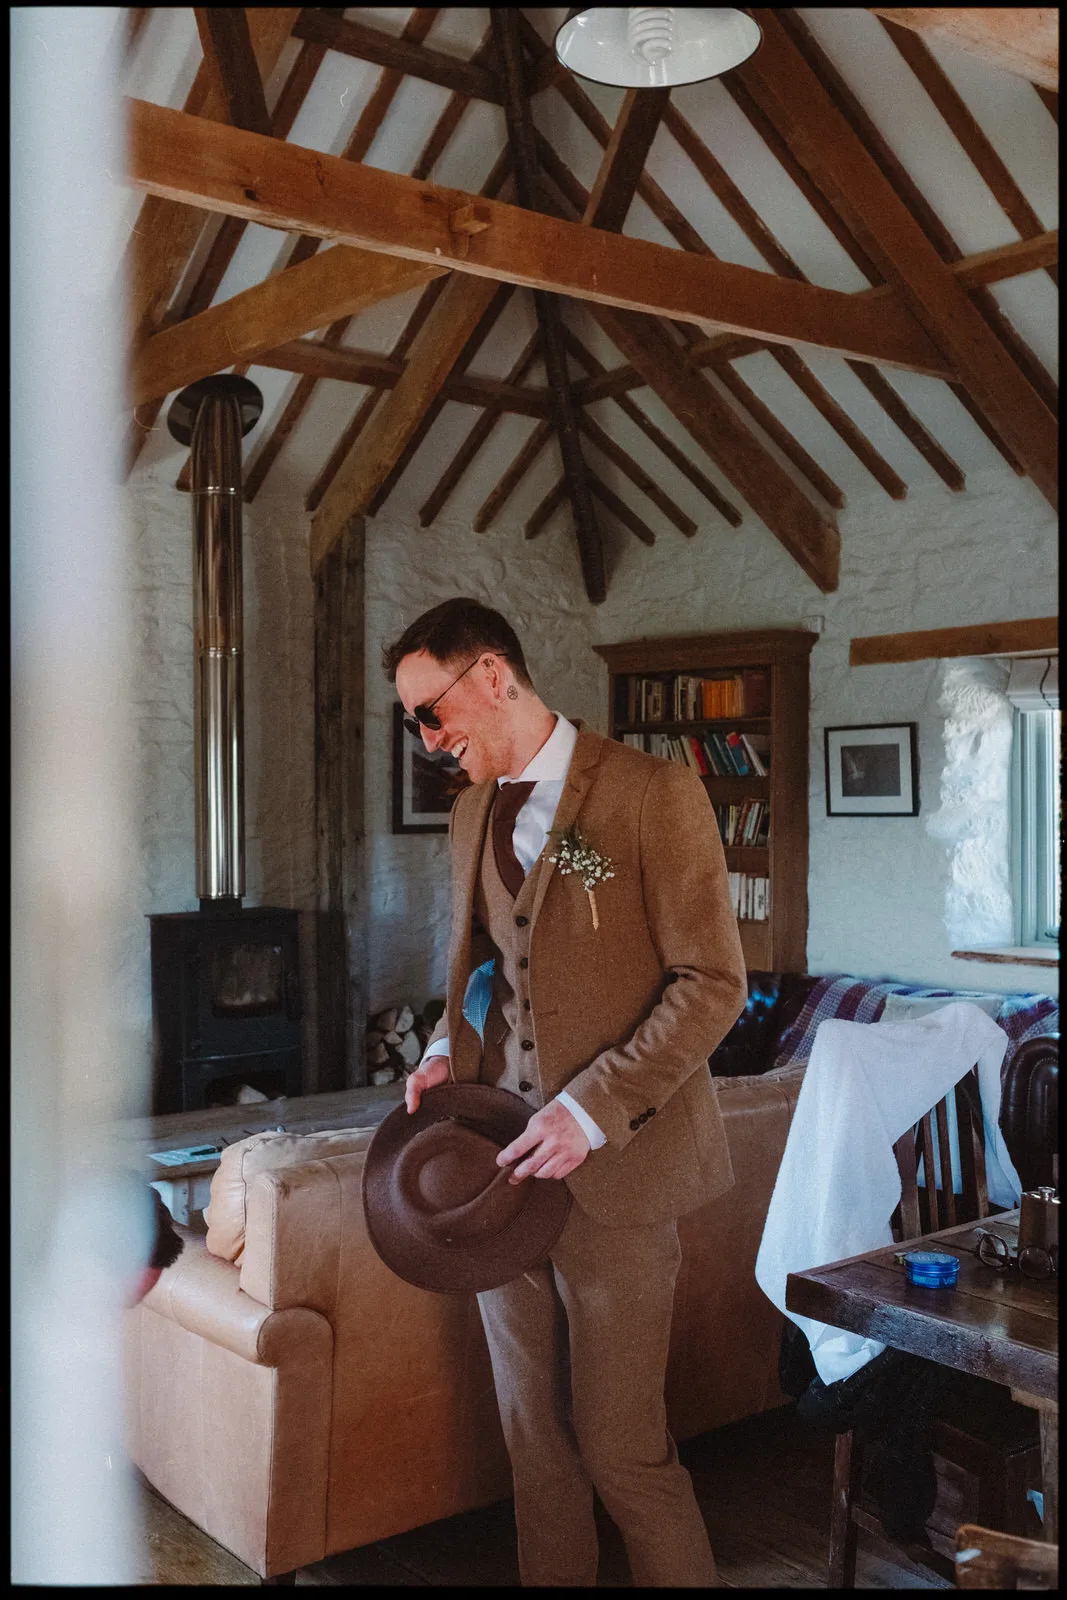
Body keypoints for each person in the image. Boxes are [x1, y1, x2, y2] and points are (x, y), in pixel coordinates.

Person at [384, 597, 747, 1588]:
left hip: (620, 1181)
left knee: (624, 1454)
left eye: (429, 713)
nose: (427, 739)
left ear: (492, 676)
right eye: (413, 723)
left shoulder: (652, 794)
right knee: (535, 1453)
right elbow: (484, 970)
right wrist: (443, 1049)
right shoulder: (470, 812)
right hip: (494, 1175)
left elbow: (713, 983)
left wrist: (590, 1109)